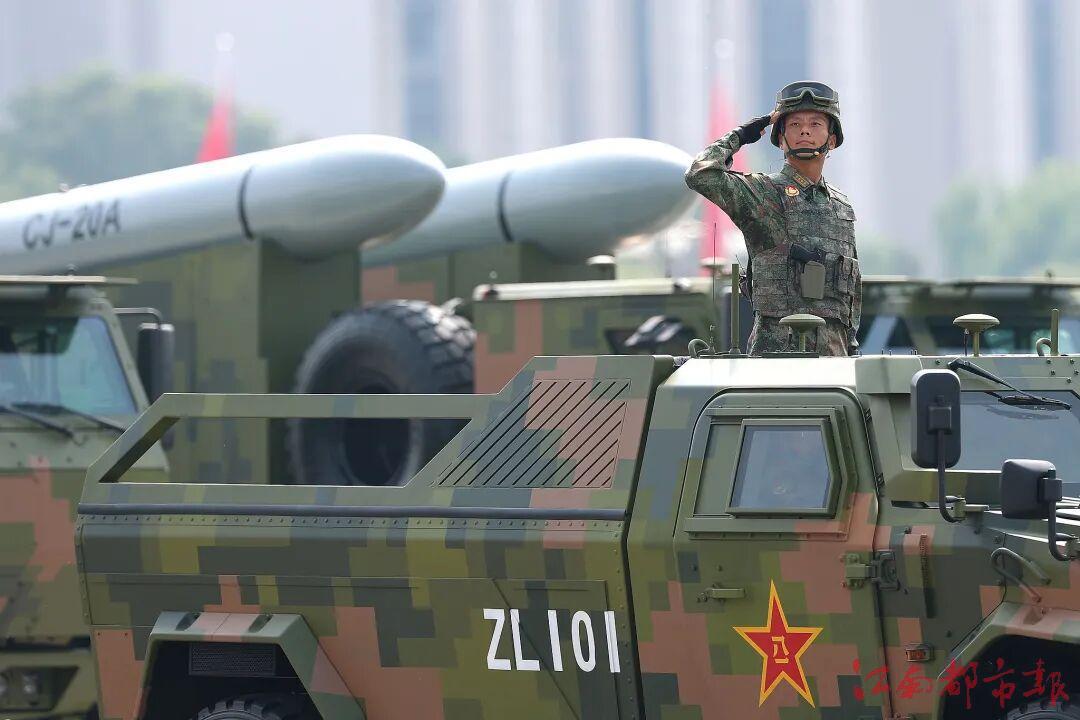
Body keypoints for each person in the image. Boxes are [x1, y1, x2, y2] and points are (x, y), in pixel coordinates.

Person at [685, 81, 860, 356]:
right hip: (774, 358)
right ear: (780, 139)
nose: (804, 130)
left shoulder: (841, 207)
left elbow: (851, 291)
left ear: (832, 139)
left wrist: (850, 347)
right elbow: (700, 174)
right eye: (794, 124)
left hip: (834, 358)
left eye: (815, 124)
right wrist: (742, 135)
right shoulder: (762, 193)